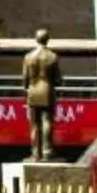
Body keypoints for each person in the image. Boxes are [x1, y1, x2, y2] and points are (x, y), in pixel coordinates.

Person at [22, 27, 60, 161]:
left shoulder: (28, 57)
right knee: (47, 122)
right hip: (47, 91)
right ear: (47, 39)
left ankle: (35, 153)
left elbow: (25, 78)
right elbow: (58, 79)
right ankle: (47, 152)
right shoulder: (53, 56)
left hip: (33, 92)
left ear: (36, 39)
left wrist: (26, 90)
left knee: (34, 125)